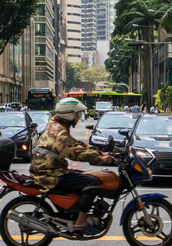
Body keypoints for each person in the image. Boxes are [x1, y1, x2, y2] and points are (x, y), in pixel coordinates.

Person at [30, 97, 116, 237]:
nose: (78, 117)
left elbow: (76, 144)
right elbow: (74, 152)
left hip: (50, 169)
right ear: (69, 114)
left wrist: (99, 152)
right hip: (50, 174)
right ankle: (81, 221)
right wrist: (99, 158)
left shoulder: (58, 126)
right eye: (77, 114)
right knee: (92, 183)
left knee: (85, 176)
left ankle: (74, 213)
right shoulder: (59, 132)